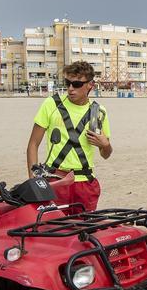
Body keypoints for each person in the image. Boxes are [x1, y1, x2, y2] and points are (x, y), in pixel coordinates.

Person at [25, 61, 112, 212]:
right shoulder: (52, 105)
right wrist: (34, 181)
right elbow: (33, 144)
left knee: (84, 226)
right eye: (67, 83)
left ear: (90, 85)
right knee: (53, 225)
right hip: (56, 181)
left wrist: (105, 145)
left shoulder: (98, 112)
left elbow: (106, 154)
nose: (70, 88)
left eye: (77, 84)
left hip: (85, 184)